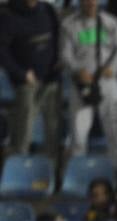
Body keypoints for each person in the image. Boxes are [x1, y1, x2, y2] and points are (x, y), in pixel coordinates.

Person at [61, 0, 117, 174]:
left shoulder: (110, 22)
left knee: (114, 135)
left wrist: (112, 68)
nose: (90, 3)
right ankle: (78, 178)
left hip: (107, 82)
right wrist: (78, 70)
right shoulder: (69, 25)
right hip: (82, 85)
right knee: (78, 137)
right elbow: (65, 54)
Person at [1, 0, 63, 166]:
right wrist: (21, 74)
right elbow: (2, 53)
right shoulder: (8, 15)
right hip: (27, 83)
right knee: (23, 132)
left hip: (51, 78)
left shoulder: (48, 10)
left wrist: (59, 60)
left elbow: (58, 36)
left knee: (52, 129)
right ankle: (18, 172)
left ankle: (50, 172)